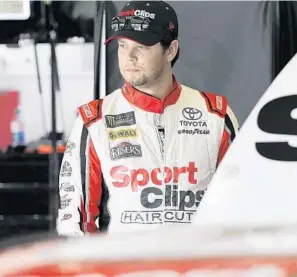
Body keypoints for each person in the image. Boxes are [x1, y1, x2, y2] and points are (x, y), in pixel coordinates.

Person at [57, 0, 239, 236]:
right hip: (127, 268)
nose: (128, 57)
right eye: (123, 46)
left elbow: (237, 205)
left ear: (170, 50)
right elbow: (76, 222)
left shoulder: (216, 115)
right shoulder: (95, 121)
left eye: (141, 47)